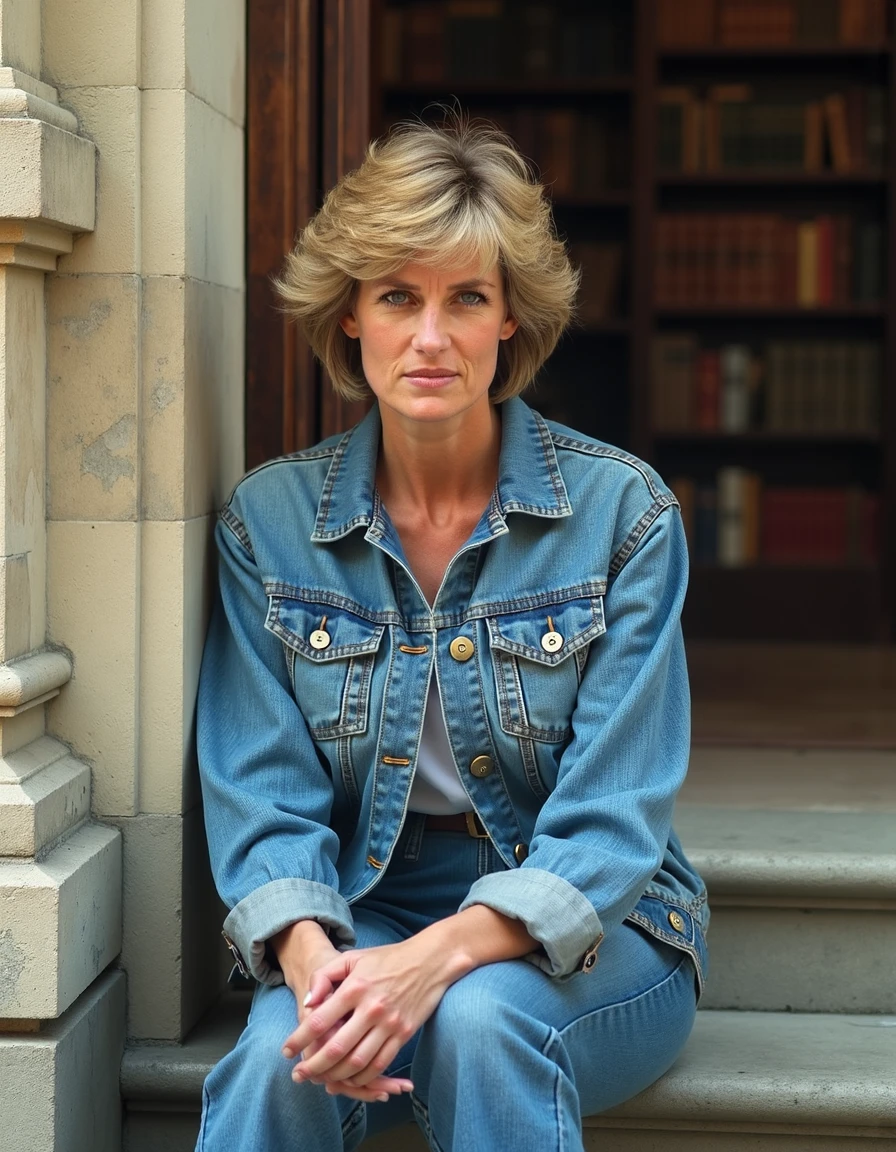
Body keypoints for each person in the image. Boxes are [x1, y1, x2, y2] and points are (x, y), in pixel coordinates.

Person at [195, 116, 709, 1152]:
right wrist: (311, 962)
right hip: (361, 903)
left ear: (509, 318)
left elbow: (614, 816)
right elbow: (259, 795)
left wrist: (437, 959)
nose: (430, 337)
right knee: (271, 1058)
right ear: (349, 316)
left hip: (597, 923)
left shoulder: (625, 517)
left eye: (465, 298)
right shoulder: (269, 525)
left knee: (478, 1021)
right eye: (398, 297)